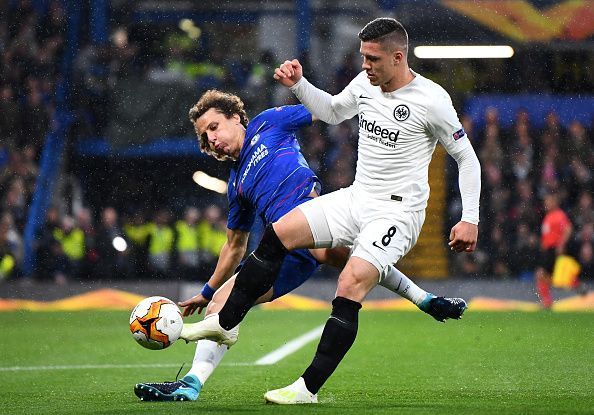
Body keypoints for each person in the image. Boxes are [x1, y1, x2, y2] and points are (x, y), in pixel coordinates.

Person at [179, 17, 481, 404]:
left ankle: (307, 388)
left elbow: (466, 158)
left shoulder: (433, 100)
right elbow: (334, 111)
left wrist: (469, 216)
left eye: (372, 59)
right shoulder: (364, 84)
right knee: (280, 231)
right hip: (356, 197)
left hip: (396, 213)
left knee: (351, 281)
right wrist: (300, 86)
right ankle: (224, 324)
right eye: (363, 58)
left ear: (398, 57)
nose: (365, 66)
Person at [134, 89, 467, 402]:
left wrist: (375, 100)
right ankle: (191, 385)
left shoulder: (269, 122)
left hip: (313, 227)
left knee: (352, 263)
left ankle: (423, 300)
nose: (212, 139)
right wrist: (206, 291)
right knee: (221, 302)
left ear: (236, 116)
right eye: (205, 137)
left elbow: (328, 110)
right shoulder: (236, 184)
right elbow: (234, 246)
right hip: (279, 254)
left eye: (214, 127)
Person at [535, 192, 572, 308]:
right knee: (547, 276)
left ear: (555, 202)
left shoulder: (558, 215)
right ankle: (547, 301)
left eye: (548, 201)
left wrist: (561, 244)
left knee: (541, 274)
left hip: (553, 249)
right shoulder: (549, 216)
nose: (546, 204)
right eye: (545, 202)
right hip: (548, 249)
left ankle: (547, 301)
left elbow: (568, 229)